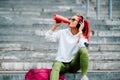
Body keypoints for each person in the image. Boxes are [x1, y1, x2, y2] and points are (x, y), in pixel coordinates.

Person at [45, 14, 89, 80]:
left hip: (73, 64)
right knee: (56, 65)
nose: (70, 20)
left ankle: (84, 77)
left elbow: (84, 47)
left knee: (83, 50)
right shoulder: (63, 32)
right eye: (70, 19)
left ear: (79, 24)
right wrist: (55, 25)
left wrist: (80, 31)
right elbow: (48, 38)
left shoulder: (81, 35)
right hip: (62, 63)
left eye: (73, 20)